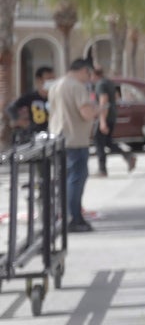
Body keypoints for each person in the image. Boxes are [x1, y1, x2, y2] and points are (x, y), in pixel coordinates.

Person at [47, 59, 98, 232]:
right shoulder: (77, 87)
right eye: (88, 74)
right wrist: (98, 110)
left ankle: (64, 216)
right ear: (84, 70)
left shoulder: (56, 85)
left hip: (58, 139)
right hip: (75, 140)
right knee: (76, 180)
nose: (88, 78)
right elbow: (86, 113)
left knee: (64, 180)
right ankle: (74, 218)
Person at [91, 65, 134, 176]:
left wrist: (102, 121)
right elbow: (116, 96)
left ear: (95, 75)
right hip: (112, 115)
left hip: (105, 116)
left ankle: (102, 169)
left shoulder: (100, 84)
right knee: (108, 142)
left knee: (99, 142)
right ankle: (128, 155)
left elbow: (104, 102)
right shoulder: (108, 82)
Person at [6, 65, 56, 145]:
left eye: (53, 79)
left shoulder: (56, 97)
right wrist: (19, 120)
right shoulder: (31, 97)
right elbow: (10, 108)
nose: (52, 82)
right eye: (49, 79)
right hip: (34, 135)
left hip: (52, 134)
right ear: (39, 80)